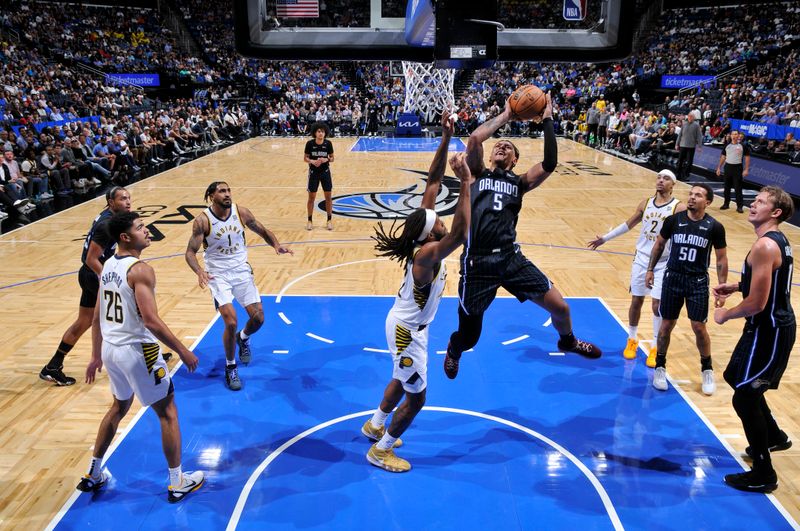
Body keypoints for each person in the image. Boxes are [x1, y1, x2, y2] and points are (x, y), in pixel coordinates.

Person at [443, 93, 601, 380]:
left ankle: (567, 341)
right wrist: (507, 115)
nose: (502, 145)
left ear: (515, 160)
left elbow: (550, 163)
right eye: (499, 145)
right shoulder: (476, 174)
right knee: (469, 338)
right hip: (477, 265)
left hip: (510, 258)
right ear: (490, 157)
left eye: (509, 147)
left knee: (561, 307)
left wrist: (548, 118)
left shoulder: (520, 183)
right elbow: (476, 139)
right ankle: (454, 348)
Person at [364, 115, 470, 473]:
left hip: (409, 328)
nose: (441, 219)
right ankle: (381, 449)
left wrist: (445, 138)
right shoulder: (427, 254)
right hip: (406, 332)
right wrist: (467, 182)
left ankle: (375, 423)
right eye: (438, 221)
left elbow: (435, 180)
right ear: (428, 235)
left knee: (400, 377)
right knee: (417, 398)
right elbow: (460, 233)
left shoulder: (425, 238)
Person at [79, 212, 204, 503]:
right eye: (140, 228)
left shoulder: (107, 265)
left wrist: (96, 355)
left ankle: (94, 472)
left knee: (118, 407)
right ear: (125, 237)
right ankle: (177, 482)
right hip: (138, 351)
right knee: (167, 412)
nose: (147, 231)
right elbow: (151, 321)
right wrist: (183, 350)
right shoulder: (140, 270)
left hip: (112, 350)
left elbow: (97, 316)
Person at [713, 186, 795, 493]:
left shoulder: (764, 246)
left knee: (744, 397)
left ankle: (763, 473)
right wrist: (736, 285)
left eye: (760, 202)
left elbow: (758, 303)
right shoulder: (773, 241)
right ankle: (774, 436)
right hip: (764, 329)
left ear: (775, 213)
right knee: (735, 376)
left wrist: (726, 314)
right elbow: (768, 280)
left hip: (770, 331)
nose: (752, 204)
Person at [185, 182, 292, 390]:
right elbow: (190, 252)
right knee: (231, 321)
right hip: (217, 275)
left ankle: (243, 338)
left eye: (228, 191)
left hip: (241, 271)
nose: (227, 194)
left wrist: (276, 245)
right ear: (211, 196)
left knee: (259, 318)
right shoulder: (202, 221)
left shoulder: (240, 212)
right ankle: (230, 367)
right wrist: (200, 271)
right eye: (222, 191)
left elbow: (261, 229)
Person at [588, 169, 685, 366]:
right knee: (636, 301)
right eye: (659, 177)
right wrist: (605, 238)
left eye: (666, 178)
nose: (660, 180)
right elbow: (628, 224)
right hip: (642, 258)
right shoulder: (646, 203)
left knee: (657, 305)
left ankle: (656, 346)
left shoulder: (678, 207)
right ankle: (631, 339)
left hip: (664, 261)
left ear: (673, 184)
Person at [39, 186, 132, 385]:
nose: (128, 202)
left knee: (84, 321)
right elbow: (91, 258)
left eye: (129, 198)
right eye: (123, 198)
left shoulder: (108, 217)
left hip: (87, 275)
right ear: (111, 202)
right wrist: (107, 277)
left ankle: (53, 366)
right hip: (94, 274)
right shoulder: (106, 224)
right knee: (127, 315)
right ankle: (141, 359)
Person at [645, 184, 728, 394]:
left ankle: (707, 368)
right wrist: (650, 270)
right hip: (673, 278)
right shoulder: (674, 220)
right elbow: (659, 245)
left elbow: (721, 258)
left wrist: (722, 286)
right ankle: (660, 367)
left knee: (699, 327)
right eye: (690, 194)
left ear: (707, 202)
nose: (691, 198)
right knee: (666, 325)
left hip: (697, 281)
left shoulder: (714, 227)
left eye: (697, 195)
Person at [304, 122, 335, 231]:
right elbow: (305, 158)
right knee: (311, 198)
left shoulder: (328, 144)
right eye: (319, 131)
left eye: (322, 131)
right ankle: (309, 220)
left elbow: (332, 158)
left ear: (325, 133)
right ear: (315, 133)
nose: (320, 133)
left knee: (328, 197)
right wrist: (312, 161)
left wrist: (326, 159)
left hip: (325, 172)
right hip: (313, 173)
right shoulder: (309, 144)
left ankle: (329, 220)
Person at [716, 130, 751, 213]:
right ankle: (726, 204)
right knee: (726, 187)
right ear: (730, 135)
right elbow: (723, 157)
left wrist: (746, 169)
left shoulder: (742, 146)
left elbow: (747, 158)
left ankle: (739, 206)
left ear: (738, 135)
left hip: (737, 168)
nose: (734, 136)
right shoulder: (727, 145)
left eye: (736, 134)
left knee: (738, 188)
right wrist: (718, 168)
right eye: (733, 134)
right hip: (728, 167)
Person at [675, 112, 703, 181]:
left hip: (691, 146)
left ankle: (686, 175)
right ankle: (678, 173)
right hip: (682, 145)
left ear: (694, 118)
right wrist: (677, 144)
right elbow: (680, 135)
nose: (690, 118)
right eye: (689, 116)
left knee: (689, 162)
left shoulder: (696, 125)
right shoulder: (684, 124)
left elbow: (699, 136)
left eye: (691, 117)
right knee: (680, 161)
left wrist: (699, 146)